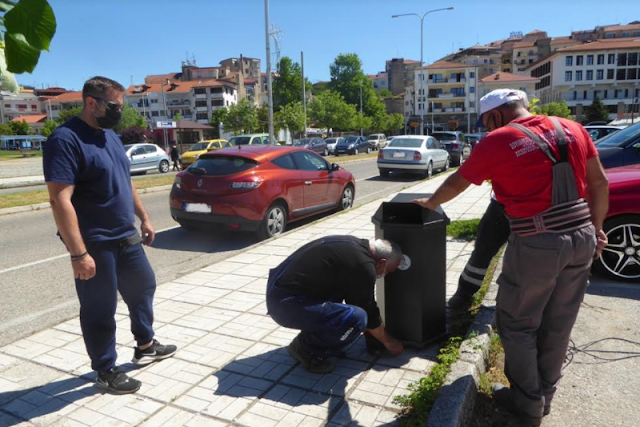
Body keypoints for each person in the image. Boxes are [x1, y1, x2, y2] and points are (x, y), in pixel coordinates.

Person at [412, 89, 609, 426]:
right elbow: (599, 183)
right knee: (559, 323)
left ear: (495, 115)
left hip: (538, 241)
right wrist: (598, 228)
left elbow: (459, 181)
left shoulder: (499, 140)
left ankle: (528, 405)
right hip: (583, 236)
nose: (486, 129)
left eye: (485, 122)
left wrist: (430, 204)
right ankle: (545, 395)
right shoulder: (572, 128)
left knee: (517, 323)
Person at [43, 76, 177, 395]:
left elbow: (125, 181)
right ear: (92, 103)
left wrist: (144, 218)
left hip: (125, 236)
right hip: (95, 243)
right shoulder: (65, 140)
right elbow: (59, 198)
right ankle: (105, 369)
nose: (120, 112)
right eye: (116, 106)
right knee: (99, 308)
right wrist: (78, 254)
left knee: (143, 286)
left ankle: (144, 345)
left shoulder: (110, 136)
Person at [266, 235, 408, 373]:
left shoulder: (355, 246)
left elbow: (357, 298)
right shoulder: (363, 266)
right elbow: (367, 309)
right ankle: (306, 349)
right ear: (382, 262)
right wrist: (389, 342)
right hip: (284, 304)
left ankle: (317, 337)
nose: (386, 274)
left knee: (343, 301)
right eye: (389, 270)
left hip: (279, 293)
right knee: (356, 318)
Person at [448, 195, 510, 310]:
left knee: (527, 256)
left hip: (539, 206)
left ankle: (521, 301)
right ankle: (464, 293)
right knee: (482, 250)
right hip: (501, 204)